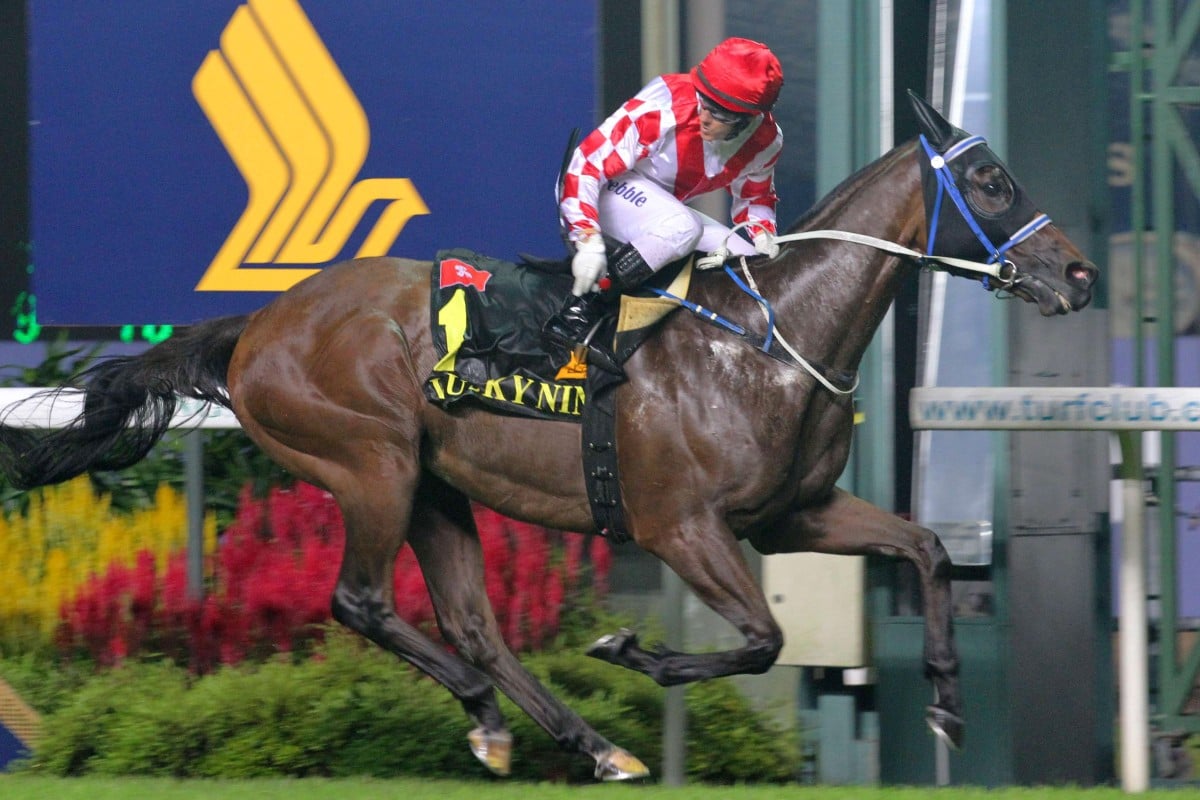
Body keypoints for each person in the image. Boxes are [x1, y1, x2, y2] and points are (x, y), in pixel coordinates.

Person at [543, 36, 784, 372]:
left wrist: (762, 233)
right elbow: (586, 163)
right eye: (704, 104)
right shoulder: (667, 104)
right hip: (596, 188)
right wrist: (587, 238)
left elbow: (755, 197)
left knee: (752, 265)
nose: (704, 118)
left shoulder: (766, 142)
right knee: (684, 227)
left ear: (749, 119)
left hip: (661, 208)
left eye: (718, 114)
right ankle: (579, 310)